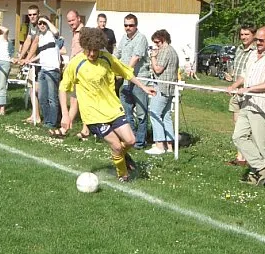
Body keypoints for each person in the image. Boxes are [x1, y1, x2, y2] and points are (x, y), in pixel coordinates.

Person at [59, 27, 156, 182]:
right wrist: (65, 114)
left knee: (131, 141)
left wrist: (143, 87)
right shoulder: (76, 63)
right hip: (93, 115)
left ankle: (120, 155)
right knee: (116, 146)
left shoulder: (106, 58)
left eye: (95, 50)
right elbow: (63, 88)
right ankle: (123, 175)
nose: (92, 54)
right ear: (84, 46)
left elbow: (126, 72)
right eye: (89, 50)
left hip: (112, 108)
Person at [232, 26, 265, 186]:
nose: (258, 43)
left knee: (260, 142)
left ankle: (259, 174)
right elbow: (244, 74)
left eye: (262, 40)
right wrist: (234, 86)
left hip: (262, 105)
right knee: (238, 136)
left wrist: (249, 89)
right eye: (257, 40)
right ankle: (263, 168)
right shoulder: (253, 54)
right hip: (247, 102)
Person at [114, 13, 151, 149]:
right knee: (126, 112)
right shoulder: (124, 38)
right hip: (125, 81)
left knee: (141, 114)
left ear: (136, 26)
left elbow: (135, 58)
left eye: (131, 25)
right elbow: (116, 55)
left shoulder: (141, 38)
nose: (128, 27)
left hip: (139, 79)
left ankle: (140, 142)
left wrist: (123, 72)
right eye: (126, 25)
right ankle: (132, 139)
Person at [226, 24, 257, 166]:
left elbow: (248, 74)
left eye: (247, 34)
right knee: (236, 124)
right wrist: (231, 77)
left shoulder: (256, 51)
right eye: (242, 34)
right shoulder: (239, 49)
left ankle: (248, 158)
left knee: (247, 127)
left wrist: (235, 85)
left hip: (247, 92)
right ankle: (240, 157)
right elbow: (238, 69)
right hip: (236, 92)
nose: (244, 37)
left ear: (254, 35)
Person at [146, 29, 179, 155]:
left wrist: (153, 57)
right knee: (166, 116)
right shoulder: (173, 51)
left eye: (157, 42)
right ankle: (169, 146)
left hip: (162, 87)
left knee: (154, 113)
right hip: (170, 88)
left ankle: (159, 145)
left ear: (163, 40)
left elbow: (158, 69)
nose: (156, 45)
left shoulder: (166, 50)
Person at [65, 9, 90, 140]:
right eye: (69, 21)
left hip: (83, 72)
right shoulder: (74, 33)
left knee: (84, 101)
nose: (71, 23)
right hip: (74, 71)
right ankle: (67, 125)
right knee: (73, 99)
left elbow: (86, 52)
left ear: (79, 18)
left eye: (73, 20)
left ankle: (86, 130)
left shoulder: (85, 33)